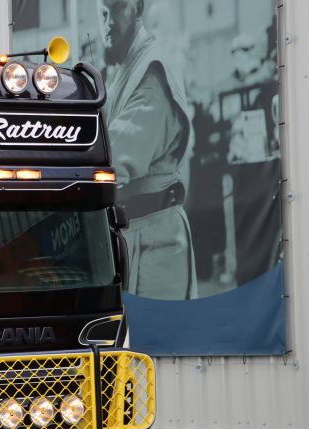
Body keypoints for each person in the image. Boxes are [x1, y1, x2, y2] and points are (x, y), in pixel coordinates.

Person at [97, 0, 196, 299]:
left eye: (118, 9)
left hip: (154, 245)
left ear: (138, 9)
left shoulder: (152, 73)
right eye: (103, 13)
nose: (108, 23)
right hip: (134, 237)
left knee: (156, 330)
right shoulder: (124, 68)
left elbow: (113, 158)